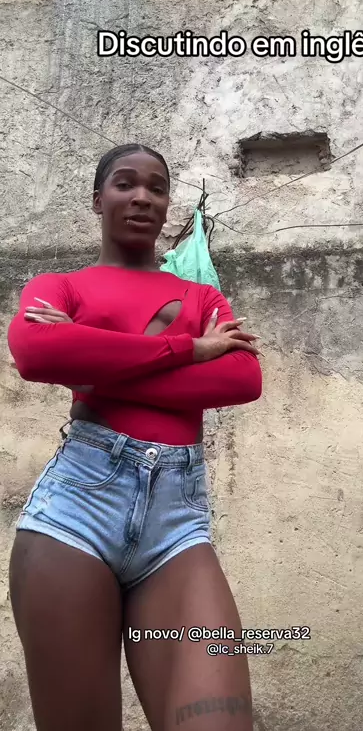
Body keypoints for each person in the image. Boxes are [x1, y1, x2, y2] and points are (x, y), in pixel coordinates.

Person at [7, 143, 262, 731]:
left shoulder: (201, 296)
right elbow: (36, 352)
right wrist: (188, 349)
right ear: (98, 200)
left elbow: (241, 378)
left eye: (157, 187)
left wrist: (91, 365)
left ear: (167, 204)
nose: (143, 196)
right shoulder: (59, 285)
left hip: (177, 528)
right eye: (125, 184)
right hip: (74, 517)